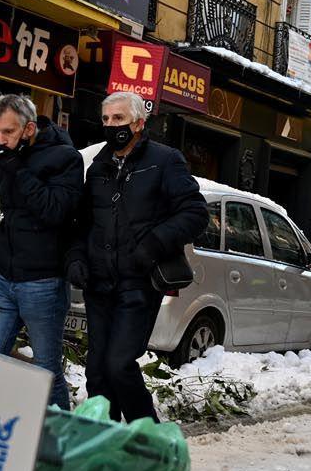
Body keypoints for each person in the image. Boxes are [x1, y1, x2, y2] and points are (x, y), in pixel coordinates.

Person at [66, 92, 208, 423]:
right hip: (99, 285)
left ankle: (149, 439)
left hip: (139, 284)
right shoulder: (97, 167)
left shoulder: (165, 160)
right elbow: (83, 223)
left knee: (119, 365)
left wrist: (152, 245)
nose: (111, 125)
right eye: (106, 119)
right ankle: (107, 444)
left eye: (119, 119)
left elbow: (195, 213)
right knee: (97, 373)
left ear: (139, 123)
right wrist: (76, 258)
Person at [0, 94, 83, 411]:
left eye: (8, 132)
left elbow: (55, 211)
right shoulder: (10, 155)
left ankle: (64, 436)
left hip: (42, 282)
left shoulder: (66, 158)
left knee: (45, 369)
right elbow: (13, 211)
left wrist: (20, 172)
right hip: (6, 277)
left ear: (28, 128)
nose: (1, 140)